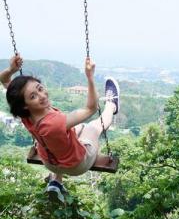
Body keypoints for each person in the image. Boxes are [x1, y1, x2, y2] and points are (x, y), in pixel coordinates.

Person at [0, 53, 119, 199]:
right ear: (25, 104)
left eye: (40, 88)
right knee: (93, 127)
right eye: (33, 96)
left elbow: (4, 79)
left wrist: (11, 70)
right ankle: (112, 105)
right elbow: (91, 108)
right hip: (77, 165)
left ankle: (56, 181)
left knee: (77, 128)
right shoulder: (55, 123)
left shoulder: (24, 114)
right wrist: (90, 77)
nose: (42, 95)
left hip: (49, 163)